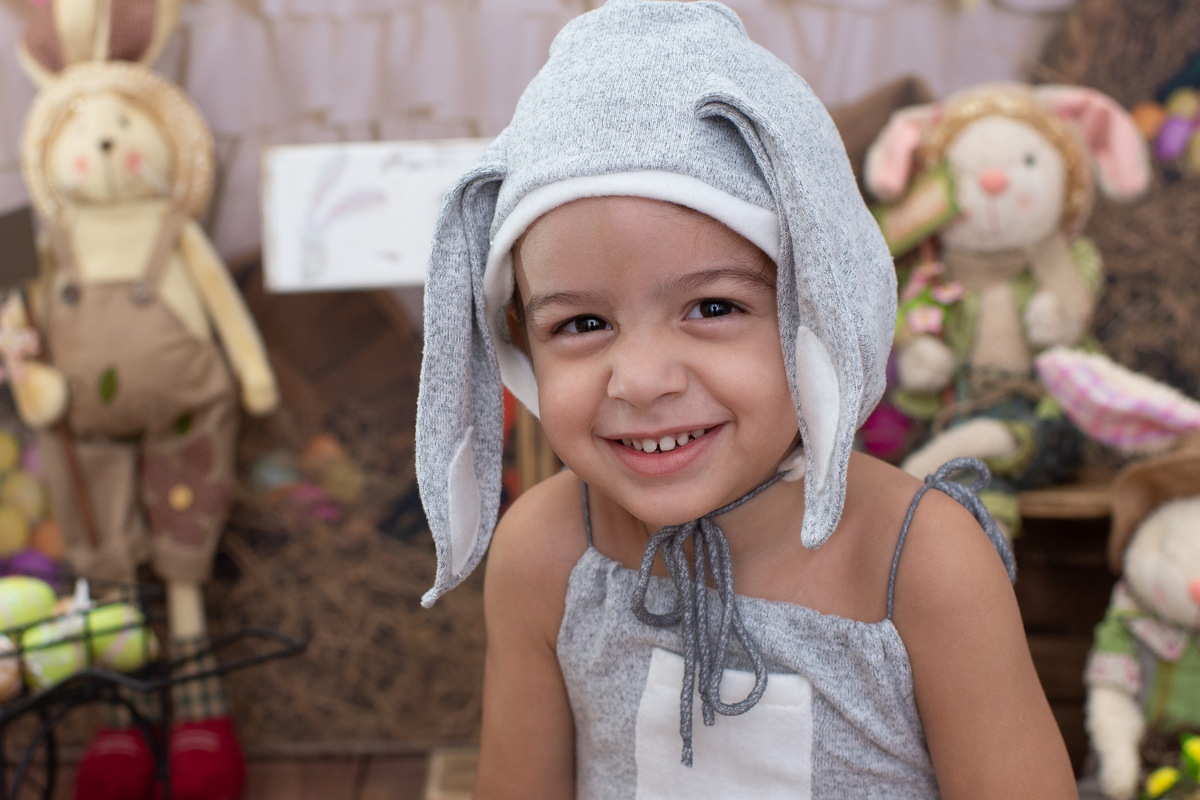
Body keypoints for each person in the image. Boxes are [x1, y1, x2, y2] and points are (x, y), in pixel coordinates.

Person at [415, 2, 1078, 797]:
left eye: (713, 308)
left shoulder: (920, 564)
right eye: (583, 323)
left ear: (816, 313)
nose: (644, 379)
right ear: (519, 342)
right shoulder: (548, 554)